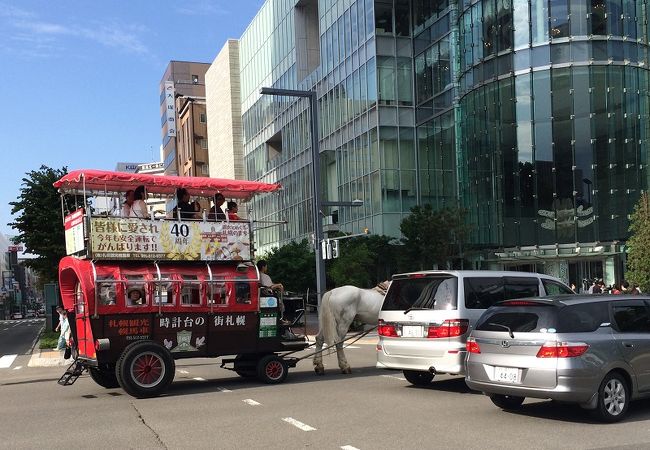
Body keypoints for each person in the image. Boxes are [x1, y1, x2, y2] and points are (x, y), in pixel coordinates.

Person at [257, 260, 288, 324]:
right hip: (268, 297)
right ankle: (281, 319)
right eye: (266, 266)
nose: (266, 268)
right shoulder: (265, 276)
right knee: (281, 304)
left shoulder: (257, 276)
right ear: (263, 267)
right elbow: (270, 287)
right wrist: (279, 285)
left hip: (261, 297)